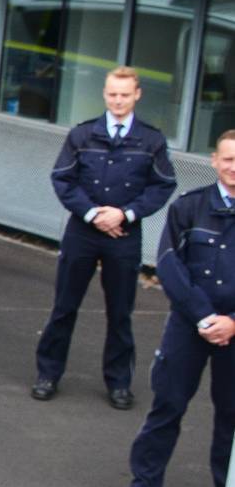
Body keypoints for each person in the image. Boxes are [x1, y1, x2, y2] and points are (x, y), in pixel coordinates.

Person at [33, 67, 177, 409]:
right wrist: (94, 214)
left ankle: (119, 383)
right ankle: (47, 374)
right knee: (64, 307)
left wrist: (124, 214)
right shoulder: (82, 135)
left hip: (124, 234)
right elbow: (63, 178)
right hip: (82, 231)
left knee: (120, 312)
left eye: (125, 95)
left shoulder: (151, 140)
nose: (118, 101)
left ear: (137, 95)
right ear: (104, 94)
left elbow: (163, 184)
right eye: (112, 94)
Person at [110, 131, 235, 487]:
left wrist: (231, 322)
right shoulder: (189, 206)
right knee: (166, 406)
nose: (234, 168)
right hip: (188, 326)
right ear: (214, 160)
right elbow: (167, 263)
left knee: (232, 417)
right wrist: (203, 315)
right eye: (228, 159)